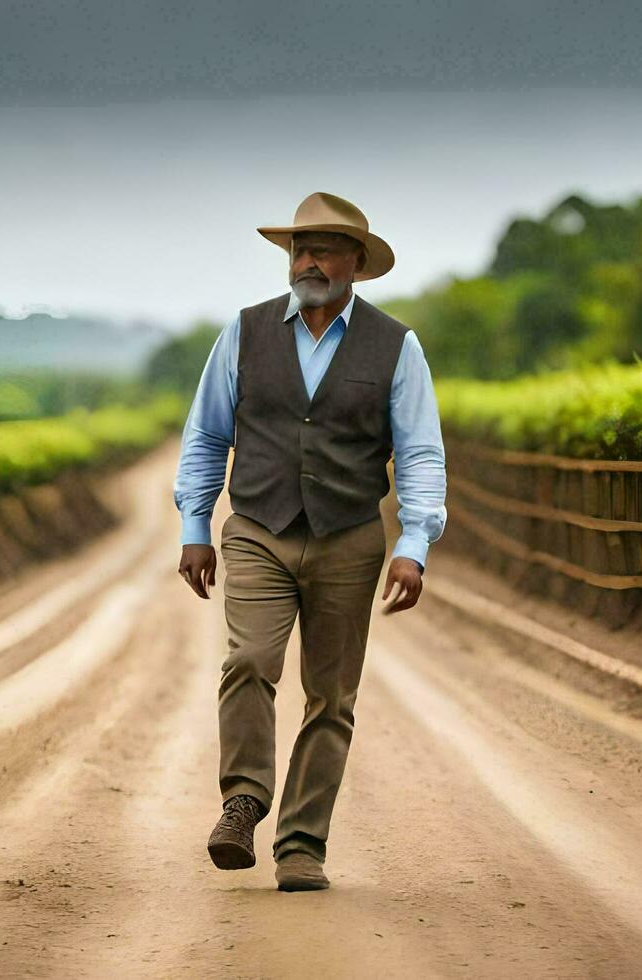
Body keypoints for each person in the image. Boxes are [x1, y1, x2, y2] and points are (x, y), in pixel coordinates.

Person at [172, 191, 448, 892]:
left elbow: (418, 452)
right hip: (259, 529)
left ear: (357, 261)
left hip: (349, 538)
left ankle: (301, 846)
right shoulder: (243, 333)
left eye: (324, 248)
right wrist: (195, 525)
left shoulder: (397, 346)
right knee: (250, 659)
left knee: (330, 698)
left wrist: (414, 542)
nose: (308, 259)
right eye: (300, 247)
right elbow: (207, 434)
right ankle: (243, 802)